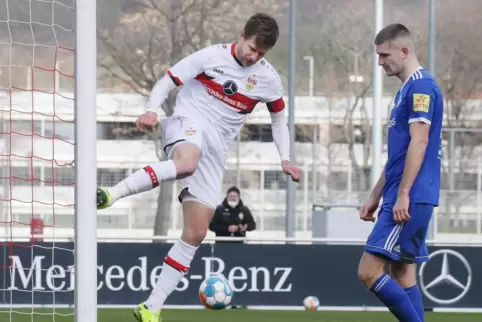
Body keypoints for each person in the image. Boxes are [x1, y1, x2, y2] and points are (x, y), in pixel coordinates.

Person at [96, 12, 300, 322]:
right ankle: (112, 193)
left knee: (196, 232)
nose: (253, 56)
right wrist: (151, 110)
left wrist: (284, 156)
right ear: (242, 34)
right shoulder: (210, 56)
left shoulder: (268, 78)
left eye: (261, 53)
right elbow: (168, 80)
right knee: (186, 162)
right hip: (187, 123)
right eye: (252, 48)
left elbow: (278, 118)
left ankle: (151, 307)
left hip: (216, 149)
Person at [357, 23, 443, 322]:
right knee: (403, 273)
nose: (380, 62)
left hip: (410, 194)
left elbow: (420, 141)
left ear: (404, 52)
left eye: (384, 55)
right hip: (405, 192)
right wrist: (374, 195)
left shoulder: (421, 87)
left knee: (368, 272)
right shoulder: (407, 90)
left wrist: (403, 194)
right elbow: (399, 155)